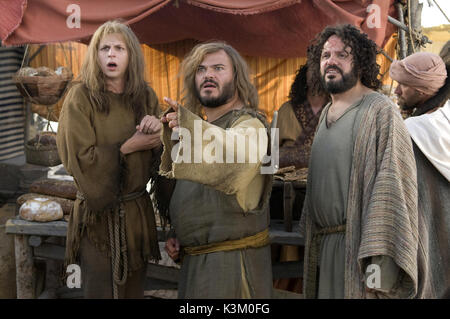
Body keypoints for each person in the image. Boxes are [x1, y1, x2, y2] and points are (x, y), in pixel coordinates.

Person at [300, 24, 418, 299]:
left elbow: (393, 192)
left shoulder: (380, 111)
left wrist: (379, 271)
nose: (331, 60)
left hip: (360, 256)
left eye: (342, 55)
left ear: (361, 63)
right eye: (325, 55)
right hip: (325, 250)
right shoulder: (327, 113)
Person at [56, 20, 162, 298]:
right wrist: (128, 147)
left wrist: (161, 132)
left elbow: (162, 162)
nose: (111, 55)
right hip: (98, 220)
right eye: (104, 49)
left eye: (119, 48)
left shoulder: (146, 96)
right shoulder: (81, 97)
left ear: (132, 55)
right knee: (100, 291)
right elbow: (80, 160)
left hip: (136, 216)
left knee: (133, 291)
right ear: (95, 55)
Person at [161, 42, 273, 298]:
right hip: (194, 265)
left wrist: (191, 127)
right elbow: (193, 193)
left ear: (237, 78)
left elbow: (234, 161)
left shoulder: (251, 124)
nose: (208, 75)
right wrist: (180, 234)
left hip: (233, 269)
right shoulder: (198, 129)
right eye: (201, 69)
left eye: (218, 68)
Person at [389, 51, 450, 298]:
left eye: (404, 85)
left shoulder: (412, 131)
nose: (397, 91)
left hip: (427, 231)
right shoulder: (444, 122)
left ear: (423, 91)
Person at [272, 63, 329, 294]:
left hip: (325, 192)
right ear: (302, 78)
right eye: (311, 71)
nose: (315, 77)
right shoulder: (287, 110)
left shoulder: (336, 109)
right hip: (288, 193)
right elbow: (271, 154)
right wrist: (300, 157)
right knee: (288, 246)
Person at [277, 64, 329, 168]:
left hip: (324, 174)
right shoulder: (286, 109)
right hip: (286, 178)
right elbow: (270, 149)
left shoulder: (339, 110)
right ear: (305, 75)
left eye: (321, 70)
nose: (316, 74)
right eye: (313, 69)